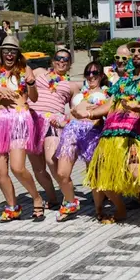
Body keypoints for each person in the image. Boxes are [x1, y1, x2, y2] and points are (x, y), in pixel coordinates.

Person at [85, 37, 140, 226]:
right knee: (100, 176)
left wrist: (135, 106)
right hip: (109, 133)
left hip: (132, 133)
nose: (136, 54)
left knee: (137, 172)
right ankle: (120, 209)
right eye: (134, 51)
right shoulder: (122, 82)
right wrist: (88, 114)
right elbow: (109, 105)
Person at [0, 36, 45, 222]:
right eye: (6, 50)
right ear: (1, 53)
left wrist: (32, 84)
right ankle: (12, 206)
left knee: (18, 168)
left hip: (19, 121)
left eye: (13, 51)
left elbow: (33, 98)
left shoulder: (25, 70)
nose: (9, 54)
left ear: (18, 54)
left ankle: (36, 197)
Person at [55, 62, 109, 221]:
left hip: (92, 131)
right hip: (71, 131)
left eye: (95, 72)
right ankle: (71, 203)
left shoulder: (106, 93)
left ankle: (99, 209)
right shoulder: (79, 91)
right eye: (88, 72)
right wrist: (61, 121)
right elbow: (71, 112)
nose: (91, 76)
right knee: (61, 173)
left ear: (101, 75)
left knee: (94, 175)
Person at [28, 48, 80, 213]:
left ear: (70, 64)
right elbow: (25, 70)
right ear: (52, 60)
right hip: (32, 122)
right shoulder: (39, 73)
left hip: (53, 123)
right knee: (38, 168)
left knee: (52, 161)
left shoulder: (71, 86)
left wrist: (67, 122)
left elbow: (76, 109)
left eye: (66, 59)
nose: (62, 61)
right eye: (59, 58)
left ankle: (69, 196)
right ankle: (52, 198)